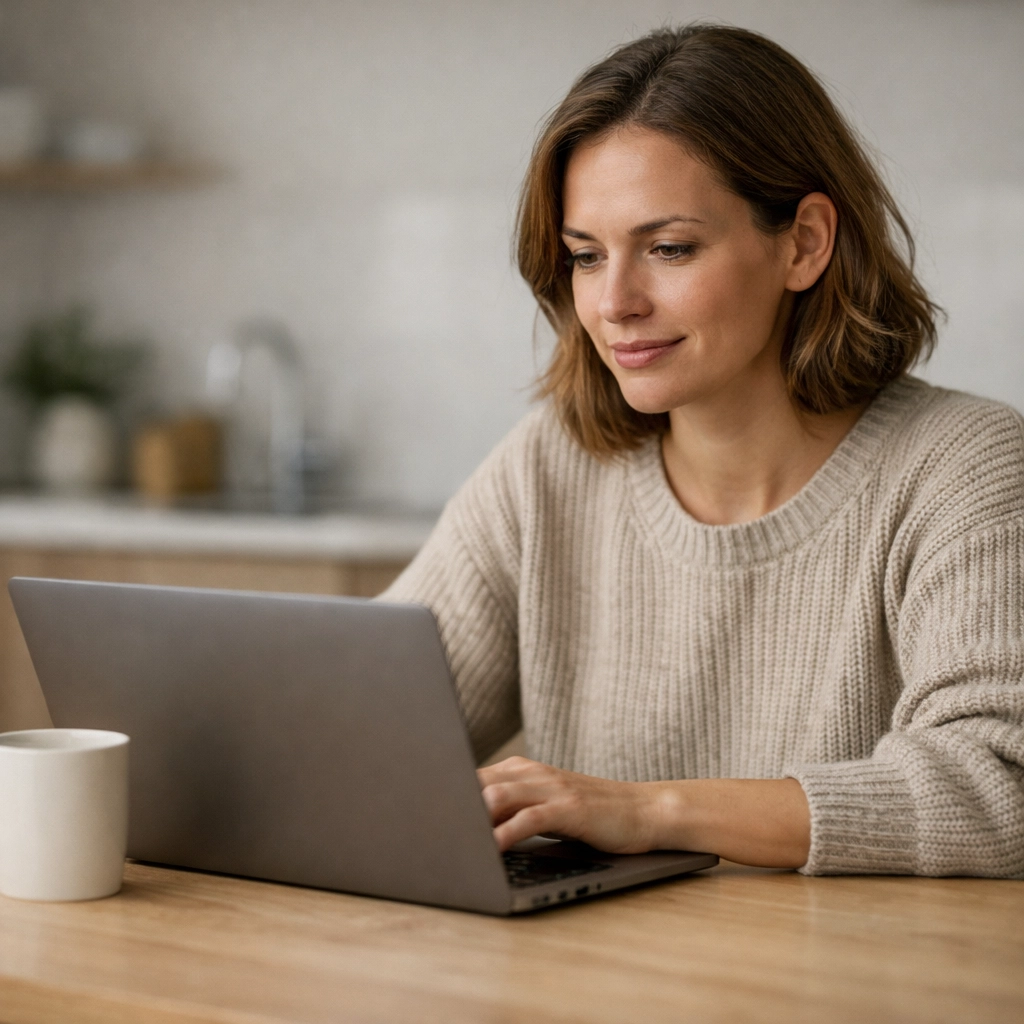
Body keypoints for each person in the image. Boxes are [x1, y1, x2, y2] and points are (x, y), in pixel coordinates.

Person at [383, 24, 1024, 876]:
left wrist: (649, 810)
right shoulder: (551, 467)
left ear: (804, 243)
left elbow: (996, 784)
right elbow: (366, 719)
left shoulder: (965, 467)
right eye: (585, 256)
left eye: (669, 248)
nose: (613, 303)